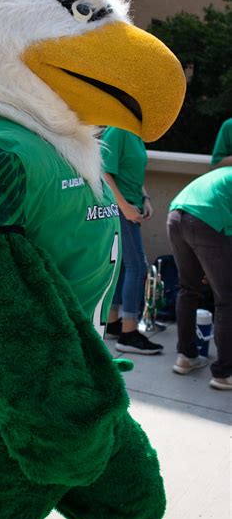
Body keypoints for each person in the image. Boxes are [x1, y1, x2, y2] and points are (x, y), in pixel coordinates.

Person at [167, 167, 232, 391]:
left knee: (188, 289)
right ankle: (225, 372)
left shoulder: (225, 174)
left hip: (176, 215)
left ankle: (186, 356)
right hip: (206, 220)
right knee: (227, 298)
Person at [102, 126, 163, 354]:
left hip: (131, 205)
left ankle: (112, 321)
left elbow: (131, 172)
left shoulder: (135, 133)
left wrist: (145, 198)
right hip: (121, 209)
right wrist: (125, 207)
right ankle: (128, 333)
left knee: (125, 267)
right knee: (137, 267)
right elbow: (103, 172)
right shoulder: (118, 130)